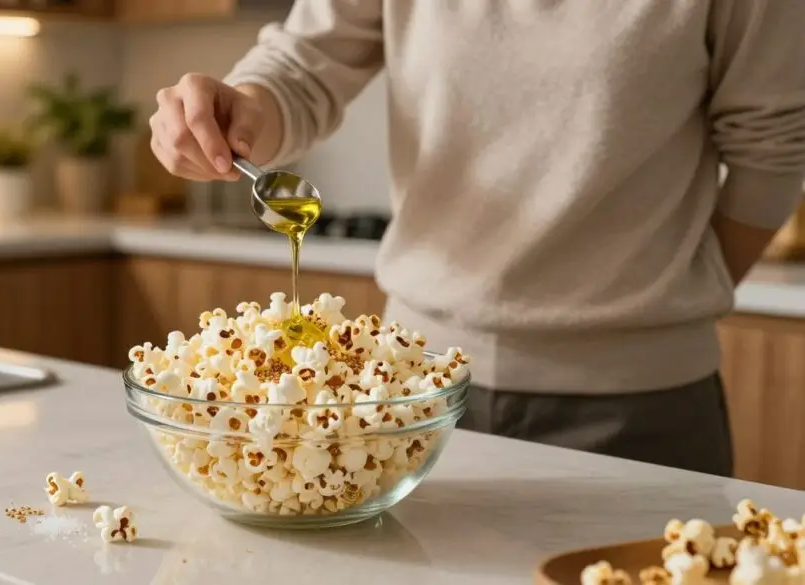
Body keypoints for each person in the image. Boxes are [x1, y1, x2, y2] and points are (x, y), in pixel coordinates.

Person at [148, 1, 805, 477]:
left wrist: (681, 290)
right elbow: (301, 66)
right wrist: (240, 109)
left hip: (640, 408)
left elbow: (773, 149)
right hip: (409, 395)